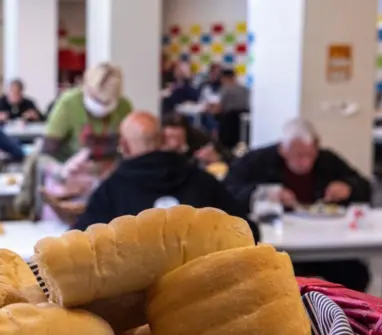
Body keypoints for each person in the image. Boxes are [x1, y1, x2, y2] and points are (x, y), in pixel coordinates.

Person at [223, 118, 370, 291]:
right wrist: (263, 193)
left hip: (324, 238)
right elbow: (228, 190)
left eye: (310, 155)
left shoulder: (327, 160)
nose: (306, 162)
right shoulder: (259, 160)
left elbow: (364, 185)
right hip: (279, 242)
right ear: (283, 150)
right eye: (299, 156)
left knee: (356, 273)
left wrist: (349, 188)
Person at [73, 112, 259, 240]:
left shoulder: (112, 190)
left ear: (125, 146)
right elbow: (249, 232)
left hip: (134, 294)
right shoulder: (203, 181)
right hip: (199, 291)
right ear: (163, 140)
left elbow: (79, 243)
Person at [43, 62, 133, 163]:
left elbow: (132, 147)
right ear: (86, 89)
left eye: (107, 102)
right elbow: (48, 150)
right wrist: (61, 172)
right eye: (96, 100)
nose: (102, 106)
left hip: (110, 171)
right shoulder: (69, 103)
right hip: (72, 169)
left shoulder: (124, 106)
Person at [161, 114, 234, 166]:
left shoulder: (199, 138)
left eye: (178, 138)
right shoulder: (157, 146)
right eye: (170, 137)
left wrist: (217, 158)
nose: (174, 143)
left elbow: (229, 157)